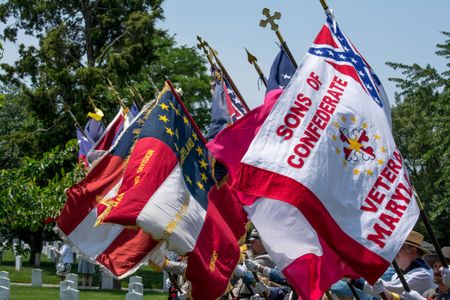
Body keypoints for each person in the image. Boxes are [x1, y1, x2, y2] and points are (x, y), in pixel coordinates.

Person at [352, 231, 434, 298]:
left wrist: (353, 277)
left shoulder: (423, 274)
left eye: (398, 247)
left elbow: (386, 290)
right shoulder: (400, 273)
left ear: (412, 251)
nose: (393, 252)